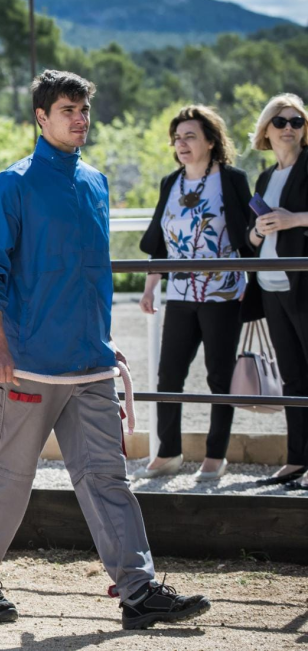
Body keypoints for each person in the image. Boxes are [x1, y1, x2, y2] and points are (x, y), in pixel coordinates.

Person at [0, 70, 210, 630]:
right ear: (40, 118)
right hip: (25, 364)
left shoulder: (96, 182)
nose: (80, 119)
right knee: (8, 475)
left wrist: (107, 344)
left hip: (91, 363)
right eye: (68, 109)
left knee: (107, 479)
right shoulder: (13, 184)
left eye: (84, 110)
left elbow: (90, 273)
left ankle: (138, 591)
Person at [135, 105, 256, 481]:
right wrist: (151, 285)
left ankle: (215, 456)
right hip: (182, 292)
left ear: (210, 140)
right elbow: (160, 240)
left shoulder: (232, 180)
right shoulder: (171, 182)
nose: (181, 144)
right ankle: (168, 453)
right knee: (168, 375)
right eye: (177, 138)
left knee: (219, 377)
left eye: (190, 136)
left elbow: (247, 231)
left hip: (224, 293)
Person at [246, 93, 308, 489]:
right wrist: (257, 231)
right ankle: (297, 458)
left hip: (303, 283)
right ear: (266, 130)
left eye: (297, 121)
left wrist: (293, 220)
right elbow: (251, 235)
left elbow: (289, 221)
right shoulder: (266, 177)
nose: (289, 128)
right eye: (280, 121)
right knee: (293, 379)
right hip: (271, 286)